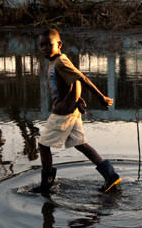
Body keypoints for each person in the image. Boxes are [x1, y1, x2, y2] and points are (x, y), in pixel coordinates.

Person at [34, 29, 119, 194]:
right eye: (41, 45)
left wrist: (101, 97)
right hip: (71, 111)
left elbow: (81, 78)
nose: (44, 48)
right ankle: (110, 176)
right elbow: (71, 83)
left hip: (63, 114)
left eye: (48, 45)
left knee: (43, 145)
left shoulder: (60, 62)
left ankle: (46, 184)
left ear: (59, 45)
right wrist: (77, 98)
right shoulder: (55, 61)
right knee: (81, 145)